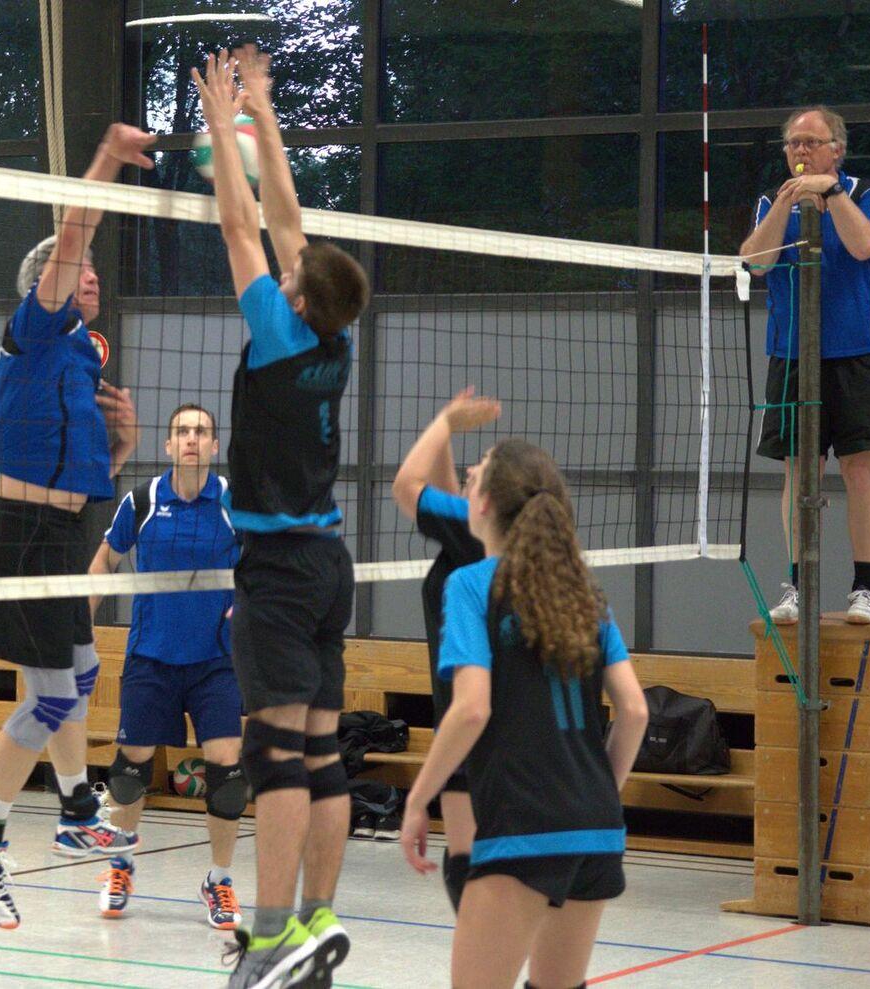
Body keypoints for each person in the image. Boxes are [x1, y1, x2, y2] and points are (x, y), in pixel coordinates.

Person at [0, 121, 156, 930]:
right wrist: (106, 160)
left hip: (61, 536)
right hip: (19, 536)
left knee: (82, 674)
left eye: (96, 269)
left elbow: (86, 480)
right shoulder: (33, 331)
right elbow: (71, 235)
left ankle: (74, 811)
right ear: (50, 286)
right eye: (80, 269)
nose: (91, 273)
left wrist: (123, 448)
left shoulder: (80, 361)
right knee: (54, 700)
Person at [192, 46, 371, 989]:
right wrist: (261, 107)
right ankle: (317, 918)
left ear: (297, 297)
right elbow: (289, 223)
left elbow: (241, 223)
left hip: (279, 570)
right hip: (330, 565)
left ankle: (267, 943)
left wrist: (220, 123)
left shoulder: (276, 333)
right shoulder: (335, 341)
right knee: (323, 751)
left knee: (275, 755)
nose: (288, 270)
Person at [398, 440, 648, 989]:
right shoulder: (584, 592)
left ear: (485, 504)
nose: (465, 481)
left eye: (474, 478)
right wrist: (597, 793)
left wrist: (417, 800)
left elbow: (471, 709)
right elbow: (633, 710)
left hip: (523, 825)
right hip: (597, 828)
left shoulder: (470, 585)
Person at [739, 104, 870, 626]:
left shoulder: (866, 193)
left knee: (860, 467)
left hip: (858, 353)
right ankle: (796, 584)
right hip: (792, 355)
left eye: (812, 142)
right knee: (799, 469)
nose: (801, 151)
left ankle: (864, 589)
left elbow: (864, 246)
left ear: (837, 149)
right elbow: (754, 262)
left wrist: (830, 194)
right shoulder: (770, 201)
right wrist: (785, 204)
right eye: (793, 143)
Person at [85, 403, 245, 929]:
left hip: (215, 661)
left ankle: (219, 880)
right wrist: (80, 626)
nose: (192, 439)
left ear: (214, 446)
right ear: (170, 445)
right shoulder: (143, 501)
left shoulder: (234, 504)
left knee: (227, 775)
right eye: (182, 431)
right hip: (151, 657)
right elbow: (105, 559)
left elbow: (263, 566)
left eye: (201, 431)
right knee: (130, 773)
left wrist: (247, 605)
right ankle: (120, 867)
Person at [390, 387, 501, 913]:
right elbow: (446, 493)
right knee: (480, 864)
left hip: (468, 721)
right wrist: (447, 436)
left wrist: (444, 424)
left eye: (482, 468)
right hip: (497, 724)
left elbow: (406, 487)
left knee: (474, 868)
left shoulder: (471, 537)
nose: (471, 471)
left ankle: (488, 949)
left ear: (490, 502)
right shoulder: (489, 536)